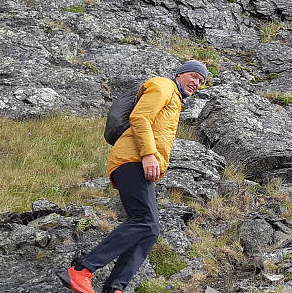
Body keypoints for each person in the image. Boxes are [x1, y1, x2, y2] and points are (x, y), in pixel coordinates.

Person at [59, 60, 208, 293]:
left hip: (139, 162)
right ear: (179, 74)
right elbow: (140, 118)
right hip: (133, 159)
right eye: (193, 76)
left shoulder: (176, 99)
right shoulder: (164, 85)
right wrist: (149, 154)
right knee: (145, 221)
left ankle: (115, 287)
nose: (197, 83)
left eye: (201, 81)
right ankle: (82, 270)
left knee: (150, 229)